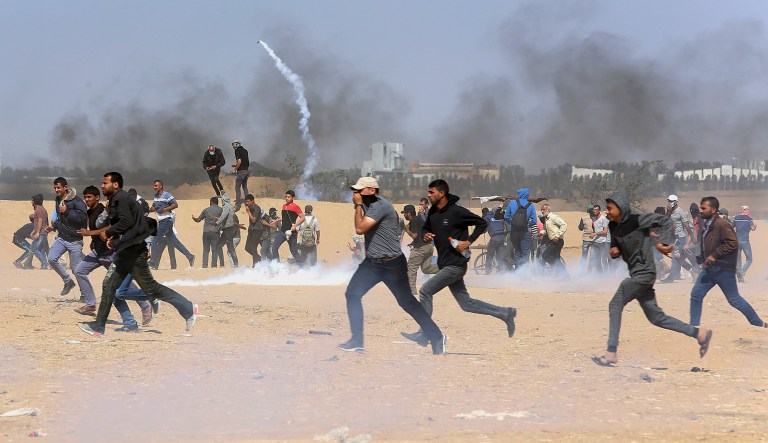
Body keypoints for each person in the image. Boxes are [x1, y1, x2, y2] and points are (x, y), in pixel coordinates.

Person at [591, 190, 713, 367]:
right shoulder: (613, 227)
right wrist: (614, 251)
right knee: (657, 318)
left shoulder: (637, 220)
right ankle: (699, 333)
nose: (607, 211)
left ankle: (611, 352)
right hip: (637, 275)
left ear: (621, 208)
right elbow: (616, 247)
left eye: (610, 208)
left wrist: (662, 242)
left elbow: (664, 221)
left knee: (615, 304)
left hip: (645, 273)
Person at [78, 172, 197, 337]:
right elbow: (129, 225)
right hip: (125, 250)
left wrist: (110, 232)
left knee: (152, 288)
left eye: (105, 183)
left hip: (134, 252)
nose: (102, 186)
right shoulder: (116, 200)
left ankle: (188, 308)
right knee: (109, 285)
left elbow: (126, 222)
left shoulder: (121, 199)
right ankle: (98, 327)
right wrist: (115, 239)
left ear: (116, 185)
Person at [401, 179, 517, 348]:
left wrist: (468, 241)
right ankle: (505, 313)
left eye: (431, 192)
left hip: (455, 265)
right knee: (466, 304)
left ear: (441, 193)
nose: (428, 194)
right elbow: (426, 228)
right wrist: (426, 234)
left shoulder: (457, 212)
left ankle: (425, 333)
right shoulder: (434, 213)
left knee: (425, 291)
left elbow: (482, 223)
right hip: (446, 263)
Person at [338, 176, 446, 355]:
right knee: (352, 294)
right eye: (355, 191)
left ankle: (436, 337)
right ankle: (357, 340)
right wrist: (359, 204)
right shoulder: (369, 204)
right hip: (372, 263)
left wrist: (357, 205)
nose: (356, 194)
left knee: (407, 303)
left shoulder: (381, 206)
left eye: (360, 190)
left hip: (391, 264)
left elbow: (360, 229)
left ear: (372, 191)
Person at [72, 185, 152, 327]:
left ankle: (145, 305)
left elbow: (110, 227)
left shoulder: (105, 211)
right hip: (98, 252)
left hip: (111, 254)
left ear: (97, 197)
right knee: (79, 270)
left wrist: (91, 234)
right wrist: (93, 241)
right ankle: (90, 304)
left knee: (121, 286)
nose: (86, 200)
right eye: (85, 197)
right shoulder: (91, 212)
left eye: (89, 197)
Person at [689, 197, 766, 328]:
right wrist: (702, 258)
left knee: (734, 300)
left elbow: (732, 243)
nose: (701, 211)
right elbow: (707, 243)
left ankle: (758, 323)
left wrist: (714, 255)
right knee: (696, 295)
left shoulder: (722, 224)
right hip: (709, 270)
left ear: (713, 210)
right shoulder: (707, 224)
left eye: (704, 208)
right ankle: (694, 327)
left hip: (723, 270)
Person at [47, 177, 88, 296]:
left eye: (58, 187)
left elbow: (83, 218)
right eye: (55, 187)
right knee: (51, 258)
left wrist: (67, 212)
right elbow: (61, 219)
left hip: (75, 240)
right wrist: (54, 227)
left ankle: (84, 294)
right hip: (62, 237)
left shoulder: (77, 201)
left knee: (76, 270)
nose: (56, 190)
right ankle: (68, 282)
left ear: (66, 187)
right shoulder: (58, 199)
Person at [149, 179, 195, 269]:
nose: (154, 187)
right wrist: (151, 209)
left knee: (154, 240)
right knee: (175, 242)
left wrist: (165, 209)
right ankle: (190, 256)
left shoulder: (167, 195)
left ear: (161, 186)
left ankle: (152, 262)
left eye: (156, 186)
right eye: (154, 186)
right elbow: (154, 206)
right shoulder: (155, 196)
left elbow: (175, 204)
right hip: (163, 221)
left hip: (166, 221)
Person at [402, 204, 439, 295]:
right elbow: (420, 234)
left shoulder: (414, 220)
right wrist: (413, 244)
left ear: (409, 213)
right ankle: (447, 268)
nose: (404, 215)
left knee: (411, 267)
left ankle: (411, 291)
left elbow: (415, 235)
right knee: (426, 269)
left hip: (421, 248)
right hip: (428, 247)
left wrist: (406, 229)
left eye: (405, 213)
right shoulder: (418, 219)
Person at [660, 194, 697, 283]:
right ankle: (692, 273)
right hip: (673, 238)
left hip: (680, 238)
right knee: (677, 258)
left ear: (676, 202)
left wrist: (692, 236)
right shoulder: (669, 211)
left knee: (677, 257)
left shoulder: (680, 212)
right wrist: (668, 212)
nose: (669, 202)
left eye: (671, 201)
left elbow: (687, 225)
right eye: (668, 200)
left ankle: (674, 277)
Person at [504, 187, 537, 271]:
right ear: (527, 195)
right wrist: (527, 224)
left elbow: (506, 216)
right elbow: (534, 220)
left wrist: (512, 223)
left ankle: (517, 272)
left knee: (517, 251)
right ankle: (523, 273)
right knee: (525, 253)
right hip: (524, 231)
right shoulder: (530, 205)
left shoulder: (512, 203)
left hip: (514, 232)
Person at [271, 190, 305, 264]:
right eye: (286, 197)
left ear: (293, 198)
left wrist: (295, 226)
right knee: (274, 248)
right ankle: (277, 266)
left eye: (289, 197)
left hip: (291, 233)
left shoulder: (295, 207)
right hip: (282, 232)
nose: (287, 198)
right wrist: (275, 221)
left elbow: (303, 218)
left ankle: (302, 267)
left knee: (294, 252)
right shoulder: (284, 206)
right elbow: (284, 217)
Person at [192, 197, 224, 268]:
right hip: (215, 232)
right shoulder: (221, 210)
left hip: (206, 232)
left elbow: (198, 220)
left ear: (211, 202)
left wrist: (194, 218)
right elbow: (223, 219)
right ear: (217, 202)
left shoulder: (206, 210)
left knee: (206, 250)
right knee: (214, 250)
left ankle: (204, 265)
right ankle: (214, 265)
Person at [539, 203, 569, 279]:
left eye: (544, 209)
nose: (542, 211)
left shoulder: (554, 217)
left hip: (557, 241)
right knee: (556, 258)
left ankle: (561, 271)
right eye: (541, 210)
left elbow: (564, 225)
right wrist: (541, 233)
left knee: (545, 255)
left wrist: (557, 235)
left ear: (549, 209)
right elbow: (546, 230)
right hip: (552, 241)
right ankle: (564, 275)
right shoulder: (546, 219)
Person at [212, 192, 238, 268]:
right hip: (229, 229)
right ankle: (225, 264)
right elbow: (226, 218)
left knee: (230, 248)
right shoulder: (231, 206)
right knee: (219, 246)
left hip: (228, 230)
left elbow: (223, 216)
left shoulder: (226, 207)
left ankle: (235, 265)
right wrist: (219, 219)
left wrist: (216, 223)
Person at [26, 194, 50, 270]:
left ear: (35, 201)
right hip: (43, 232)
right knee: (41, 249)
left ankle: (45, 263)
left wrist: (37, 232)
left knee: (34, 248)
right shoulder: (43, 209)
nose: (31, 202)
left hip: (41, 232)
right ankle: (44, 265)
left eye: (32, 200)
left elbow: (40, 220)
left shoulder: (38, 209)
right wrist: (34, 231)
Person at [733, 205, 757, 282]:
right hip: (745, 241)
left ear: (741, 210)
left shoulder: (736, 218)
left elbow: (731, 226)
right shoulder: (749, 219)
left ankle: (739, 277)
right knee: (749, 259)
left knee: (738, 259)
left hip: (736, 241)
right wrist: (755, 226)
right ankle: (742, 272)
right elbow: (753, 229)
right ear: (748, 210)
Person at [483, 205, 508, 274]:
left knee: (490, 255)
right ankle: (501, 271)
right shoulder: (501, 217)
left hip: (494, 238)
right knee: (500, 256)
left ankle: (488, 271)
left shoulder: (487, 217)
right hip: (502, 237)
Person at [243, 194, 264, 266]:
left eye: (248, 201)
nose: (246, 203)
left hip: (257, 230)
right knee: (247, 248)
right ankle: (260, 259)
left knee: (253, 248)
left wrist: (248, 212)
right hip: (251, 230)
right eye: (246, 202)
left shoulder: (256, 208)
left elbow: (254, 220)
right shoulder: (250, 207)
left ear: (252, 201)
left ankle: (255, 265)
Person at [590, 204, 610, 273]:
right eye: (594, 210)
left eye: (596, 210)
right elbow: (596, 229)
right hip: (595, 242)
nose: (595, 211)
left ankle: (607, 274)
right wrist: (593, 234)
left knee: (604, 259)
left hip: (603, 242)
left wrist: (595, 234)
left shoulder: (603, 219)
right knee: (596, 260)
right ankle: (601, 275)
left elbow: (605, 231)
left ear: (599, 211)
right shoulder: (594, 219)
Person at [578, 205, 597, 275]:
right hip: (594, 239)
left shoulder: (583, 218)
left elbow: (580, 228)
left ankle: (582, 272)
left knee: (584, 257)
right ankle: (588, 273)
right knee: (592, 257)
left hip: (586, 239)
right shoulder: (596, 218)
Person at [231, 140, 250, 211]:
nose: (233, 146)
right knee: (245, 187)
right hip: (246, 171)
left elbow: (239, 161)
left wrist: (235, 169)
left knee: (237, 188)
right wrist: (235, 165)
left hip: (241, 172)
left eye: (234, 145)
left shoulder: (237, 151)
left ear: (236, 145)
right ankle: (249, 203)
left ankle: (237, 205)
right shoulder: (245, 150)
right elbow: (245, 162)